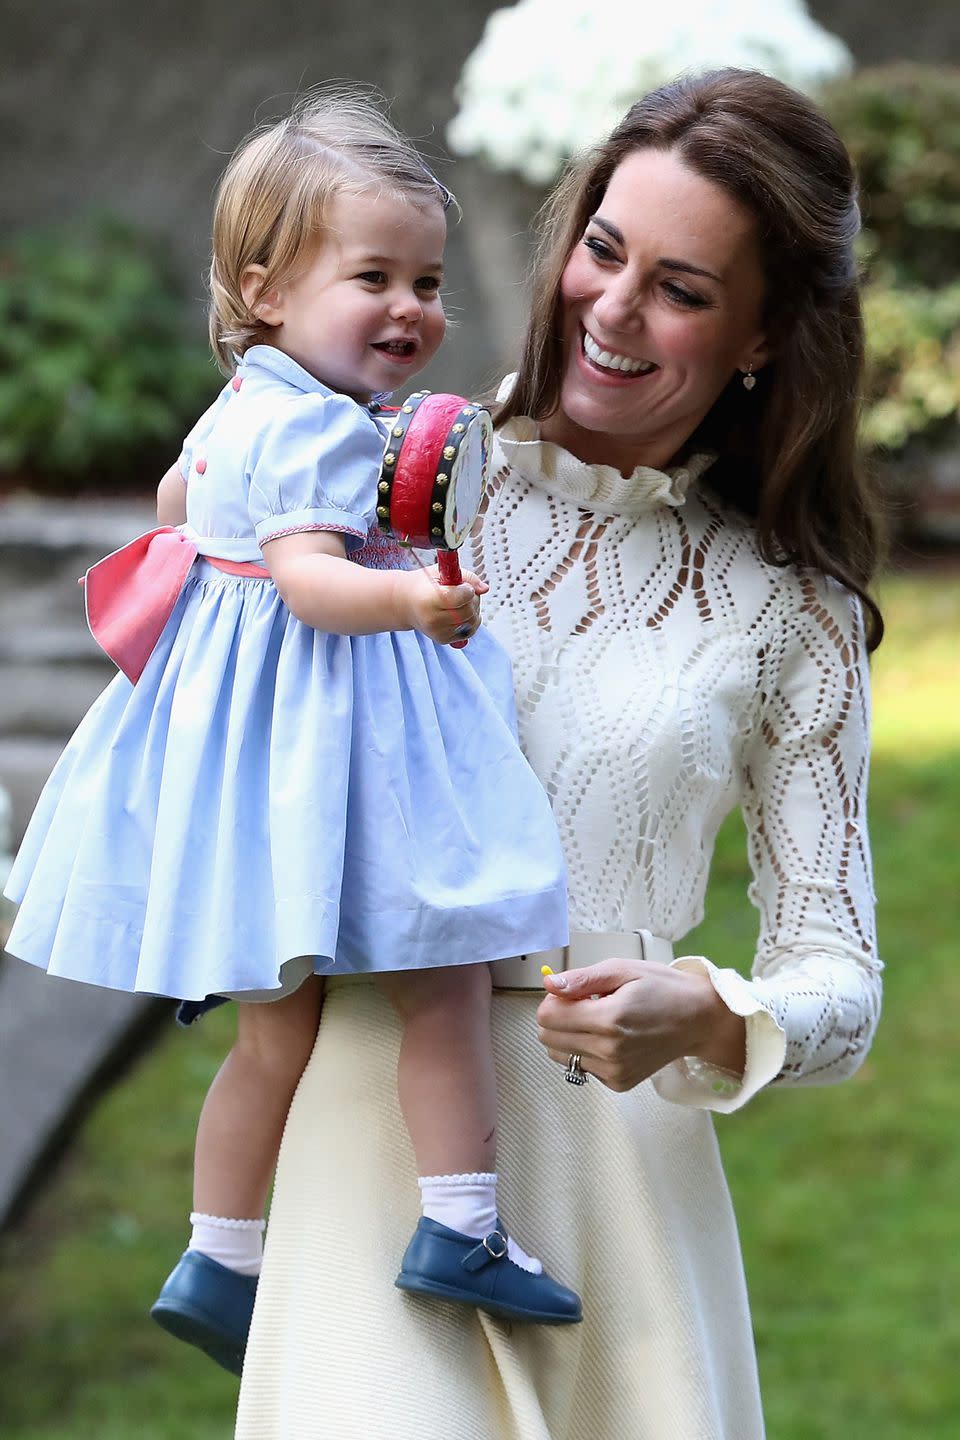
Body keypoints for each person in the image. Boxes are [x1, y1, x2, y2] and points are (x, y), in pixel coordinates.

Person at [234, 68, 884, 1440]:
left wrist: (709, 1012)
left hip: (620, 1189)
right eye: (603, 249)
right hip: (367, 1144)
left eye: (683, 289)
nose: (613, 308)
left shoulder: (791, 610)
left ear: (767, 337)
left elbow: (841, 976)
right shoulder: (365, 478)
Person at [2, 90, 582, 1377]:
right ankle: (461, 1225)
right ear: (263, 289)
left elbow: (172, 515)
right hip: (336, 732)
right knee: (440, 974)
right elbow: (316, 583)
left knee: (278, 1031)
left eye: (426, 280)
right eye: (371, 275)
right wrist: (414, 597)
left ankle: (218, 1255)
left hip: (253, 765)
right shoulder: (324, 427)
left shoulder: (237, 410)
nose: (411, 308)